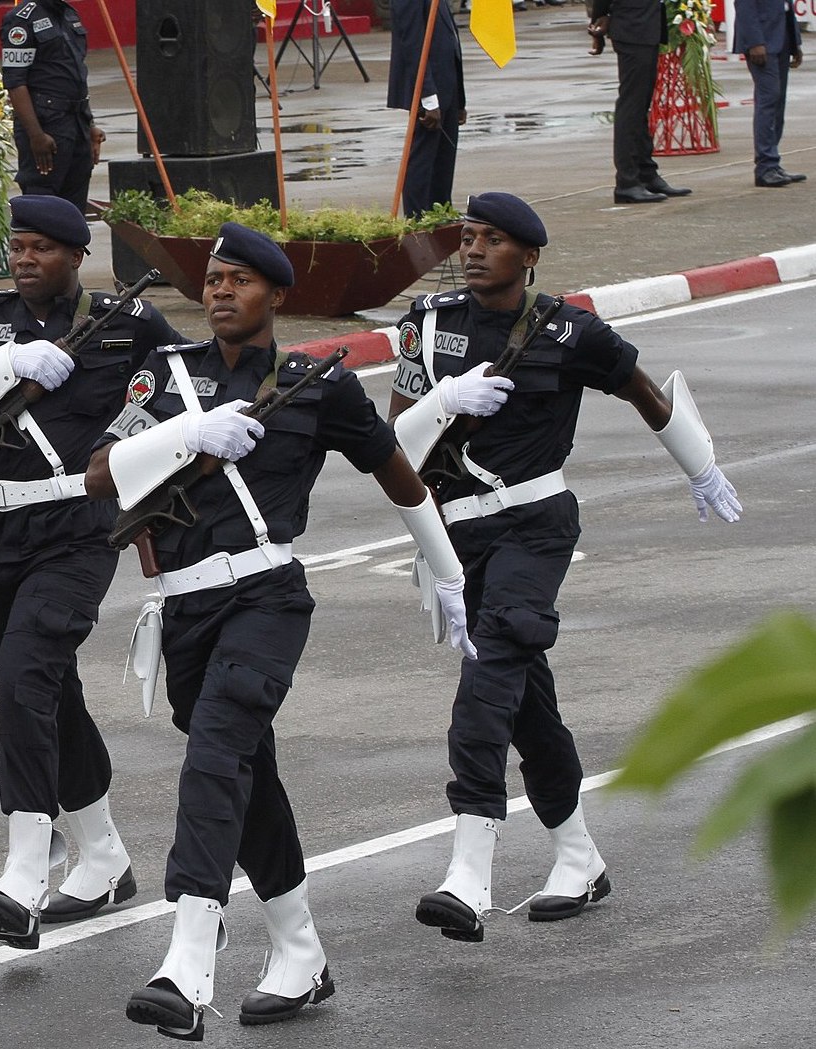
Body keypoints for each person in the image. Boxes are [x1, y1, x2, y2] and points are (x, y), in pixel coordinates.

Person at [86, 223, 475, 1041]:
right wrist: (185, 432)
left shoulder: (313, 385)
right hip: (184, 609)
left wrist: (445, 569)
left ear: (276, 296)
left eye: (241, 279)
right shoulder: (165, 377)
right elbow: (99, 476)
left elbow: (393, 468)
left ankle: (189, 955)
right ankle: (300, 951)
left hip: (267, 597)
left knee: (216, 753)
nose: (222, 289)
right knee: (246, 775)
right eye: (215, 278)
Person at [385, 192, 742, 944]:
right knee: (524, 704)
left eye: (494, 239)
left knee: (489, 677)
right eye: (469, 236)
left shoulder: (569, 330)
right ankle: (578, 855)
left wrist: (700, 467)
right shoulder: (431, 323)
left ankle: (469, 870)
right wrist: (443, 399)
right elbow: (395, 444)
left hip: (534, 524)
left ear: (530, 256)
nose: (475, 249)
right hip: (458, 534)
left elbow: (643, 390)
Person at [0, 194, 183, 951]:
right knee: (46, 687)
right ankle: (103, 857)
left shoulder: (128, 321)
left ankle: (25, 868)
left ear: (76, 255)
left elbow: (187, 384)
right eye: (17, 246)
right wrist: (4, 365)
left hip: (79, 526)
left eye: (40, 248)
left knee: (28, 671)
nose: (24, 259)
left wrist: (135, 440)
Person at [0, 0, 106, 214]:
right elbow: (15, 82)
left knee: (73, 213)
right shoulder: (20, 20)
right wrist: (36, 135)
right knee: (42, 210)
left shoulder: (69, 14)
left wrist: (90, 124)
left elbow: (77, 75)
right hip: (46, 125)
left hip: (77, 124)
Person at [588, 0, 691, 203]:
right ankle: (627, 182)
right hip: (632, 26)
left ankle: (646, 173)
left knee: (641, 104)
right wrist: (597, 24)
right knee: (632, 106)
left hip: (645, 25)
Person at [387, 0, 467, 217]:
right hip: (429, 89)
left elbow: (450, 39)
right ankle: (418, 224)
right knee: (422, 162)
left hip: (447, 87)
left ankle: (441, 219)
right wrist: (427, 96)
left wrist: (459, 98)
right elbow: (412, 43)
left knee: (444, 163)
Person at [733, 0, 805, 188]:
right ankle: (765, 166)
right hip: (762, 39)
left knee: (778, 100)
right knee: (769, 98)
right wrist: (755, 41)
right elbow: (744, 6)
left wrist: (795, 41)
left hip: (781, 37)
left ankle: (773, 162)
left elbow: (786, 6)